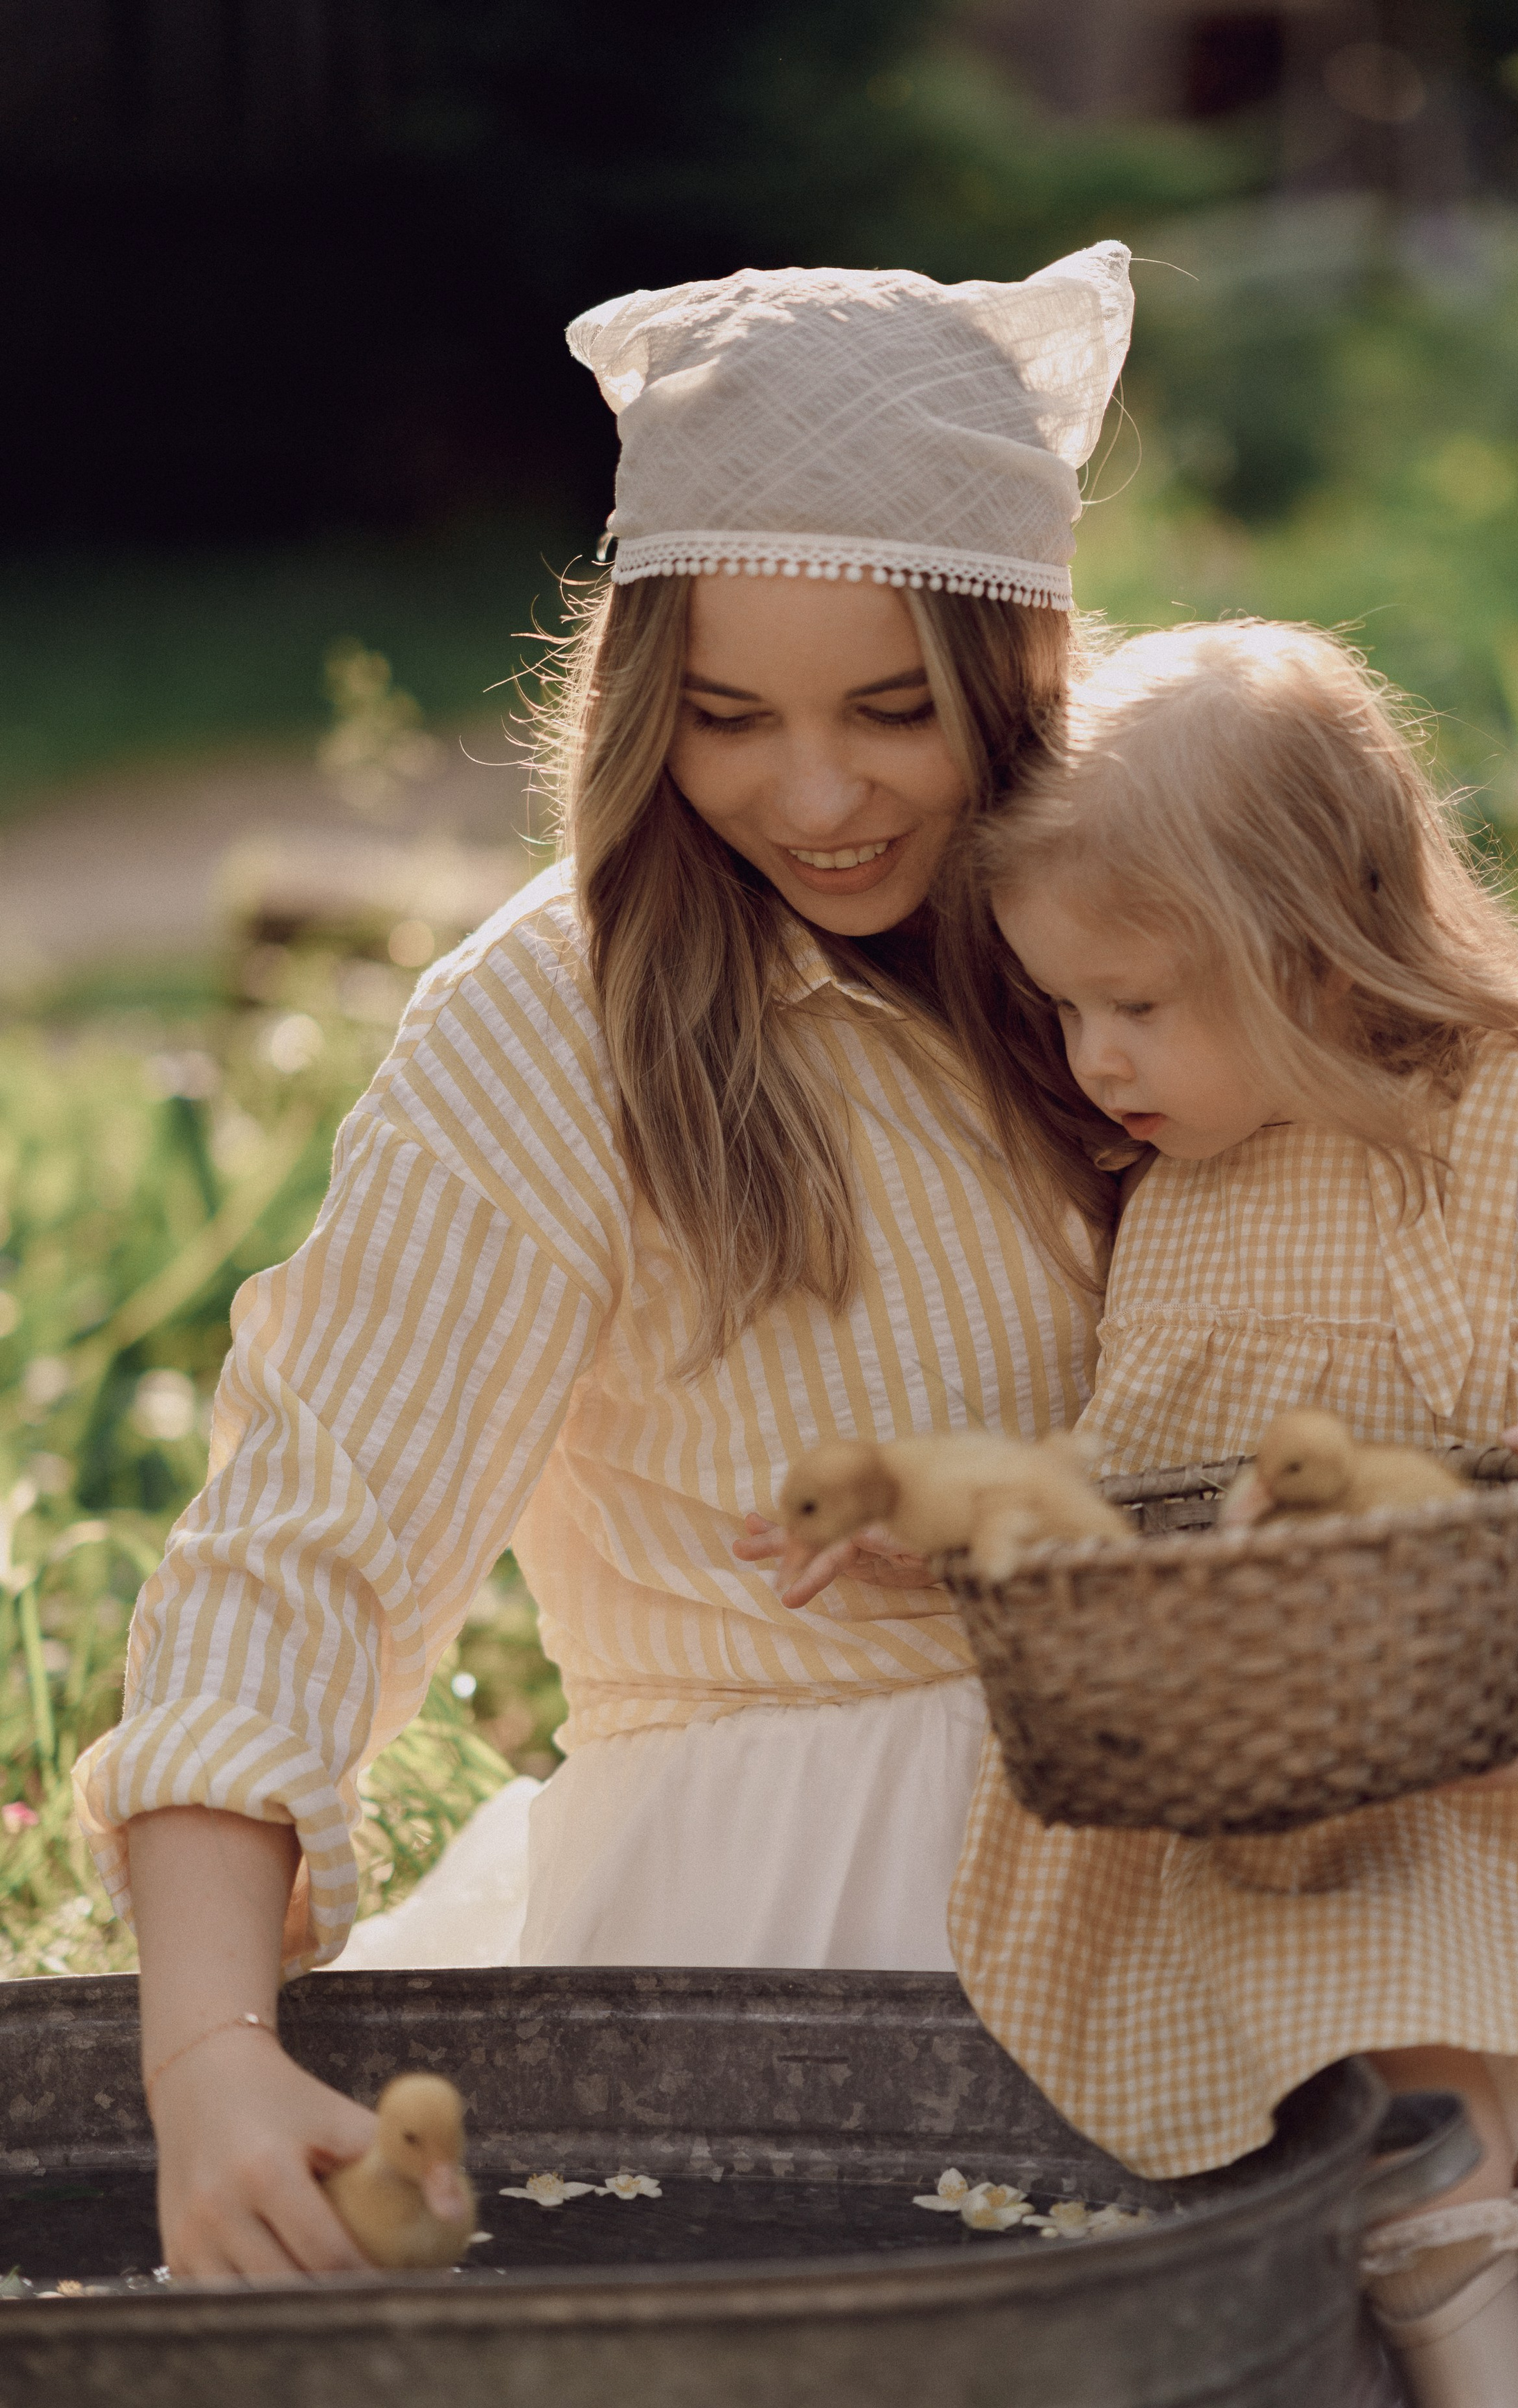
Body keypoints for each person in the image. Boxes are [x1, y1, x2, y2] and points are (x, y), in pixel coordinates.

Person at [74, 242, 1136, 2281]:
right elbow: (302, 1548)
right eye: (728, 719)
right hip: (849, 1914)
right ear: (648, 697)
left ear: (1024, 669)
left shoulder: (1121, 919)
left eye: (895, 712)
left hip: (1217, 1794)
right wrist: (204, 2048)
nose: (812, 799)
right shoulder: (559, 1021)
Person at [942, 620, 1518, 2408]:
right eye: (1068, 1011)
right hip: (1315, 1774)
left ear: (1314, 959)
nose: (1096, 1061)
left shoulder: (1506, 1132)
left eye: (1134, 1004)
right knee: (1386, 1978)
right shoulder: (1161, 1195)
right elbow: (1121, 1483)